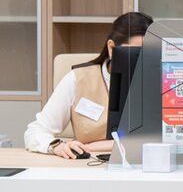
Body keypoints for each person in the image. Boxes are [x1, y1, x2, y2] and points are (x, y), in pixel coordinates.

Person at [23, 11, 153, 159]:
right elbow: (35, 132)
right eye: (135, 53)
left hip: (145, 164)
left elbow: (160, 138)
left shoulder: (163, 82)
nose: (141, 61)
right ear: (111, 48)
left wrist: (91, 147)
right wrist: (57, 146)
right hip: (86, 164)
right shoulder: (77, 79)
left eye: (148, 54)